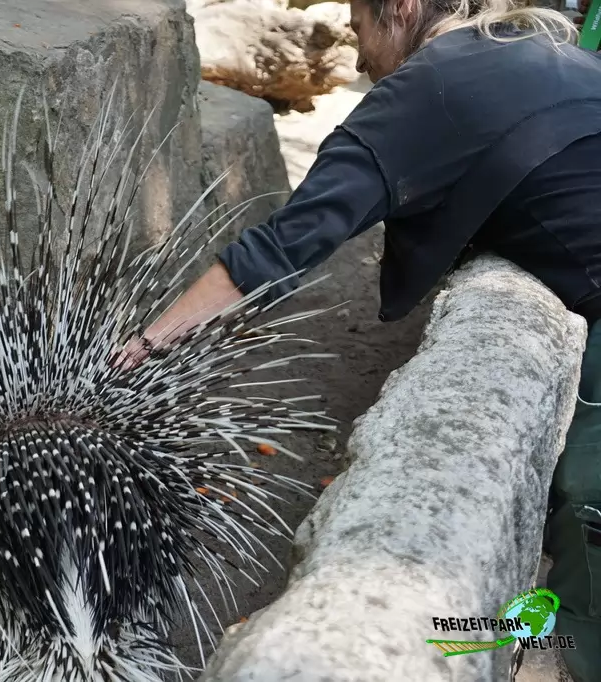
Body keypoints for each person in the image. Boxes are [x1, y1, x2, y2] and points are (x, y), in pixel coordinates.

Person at [115, 0, 601, 679]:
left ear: (399, 9)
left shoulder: (422, 88)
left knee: (586, 530)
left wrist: (147, 342)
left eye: (359, 24)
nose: (358, 50)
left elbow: (286, 246)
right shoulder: (535, 50)